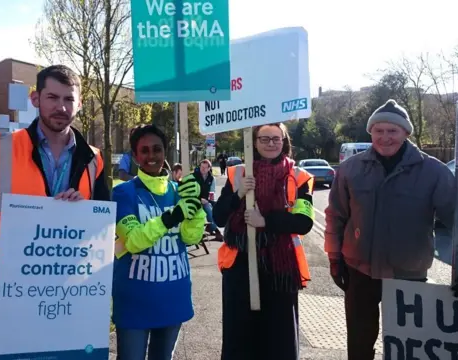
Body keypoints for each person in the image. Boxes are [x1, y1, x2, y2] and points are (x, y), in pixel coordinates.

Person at [324, 99, 458, 360]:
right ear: (370, 132)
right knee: (359, 345)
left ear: (406, 133)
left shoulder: (433, 171)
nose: (385, 137)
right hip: (359, 272)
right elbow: (335, 216)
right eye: (378, 131)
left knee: (407, 347)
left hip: (408, 276)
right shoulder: (350, 169)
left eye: (392, 131)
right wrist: (335, 259)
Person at [0, 65, 110, 360]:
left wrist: (83, 211)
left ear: (79, 104)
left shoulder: (94, 160)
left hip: (71, 293)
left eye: (69, 99)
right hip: (10, 293)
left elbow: (104, 228)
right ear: (35, 99)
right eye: (52, 97)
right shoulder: (0, 149)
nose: (61, 107)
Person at [213, 123, 315, 360]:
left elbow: (303, 222)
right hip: (240, 270)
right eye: (264, 138)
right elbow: (218, 217)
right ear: (254, 142)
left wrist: (265, 221)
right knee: (239, 343)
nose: (271, 144)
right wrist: (238, 194)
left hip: (280, 274)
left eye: (276, 139)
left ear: (284, 142)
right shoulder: (237, 174)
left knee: (279, 344)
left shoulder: (299, 177)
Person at [111, 124, 206, 360]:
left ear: (166, 152)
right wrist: (172, 216)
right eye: (144, 151)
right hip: (134, 301)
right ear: (135, 156)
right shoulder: (124, 193)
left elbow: (191, 237)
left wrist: (194, 207)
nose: (151, 156)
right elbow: (133, 241)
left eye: (157, 149)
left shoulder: (179, 190)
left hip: (173, 297)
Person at [193, 159, 223, 241]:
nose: (203, 169)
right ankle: (215, 230)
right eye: (202, 167)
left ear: (209, 168)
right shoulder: (194, 176)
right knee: (207, 208)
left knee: (216, 207)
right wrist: (199, 199)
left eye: (205, 168)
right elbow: (191, 192)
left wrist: (208, 200)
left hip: (206, 200)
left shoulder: (212, 178)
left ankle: (212, 228)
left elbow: (212, 192)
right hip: (195, 200)